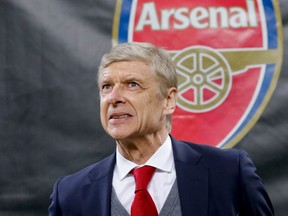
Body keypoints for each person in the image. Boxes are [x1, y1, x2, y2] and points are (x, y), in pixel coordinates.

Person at [48, 42, 274, 216]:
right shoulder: (70, 193)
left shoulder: (229, 172)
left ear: (168, 100)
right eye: (106, 87)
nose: (114, 98)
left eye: (132, 84)